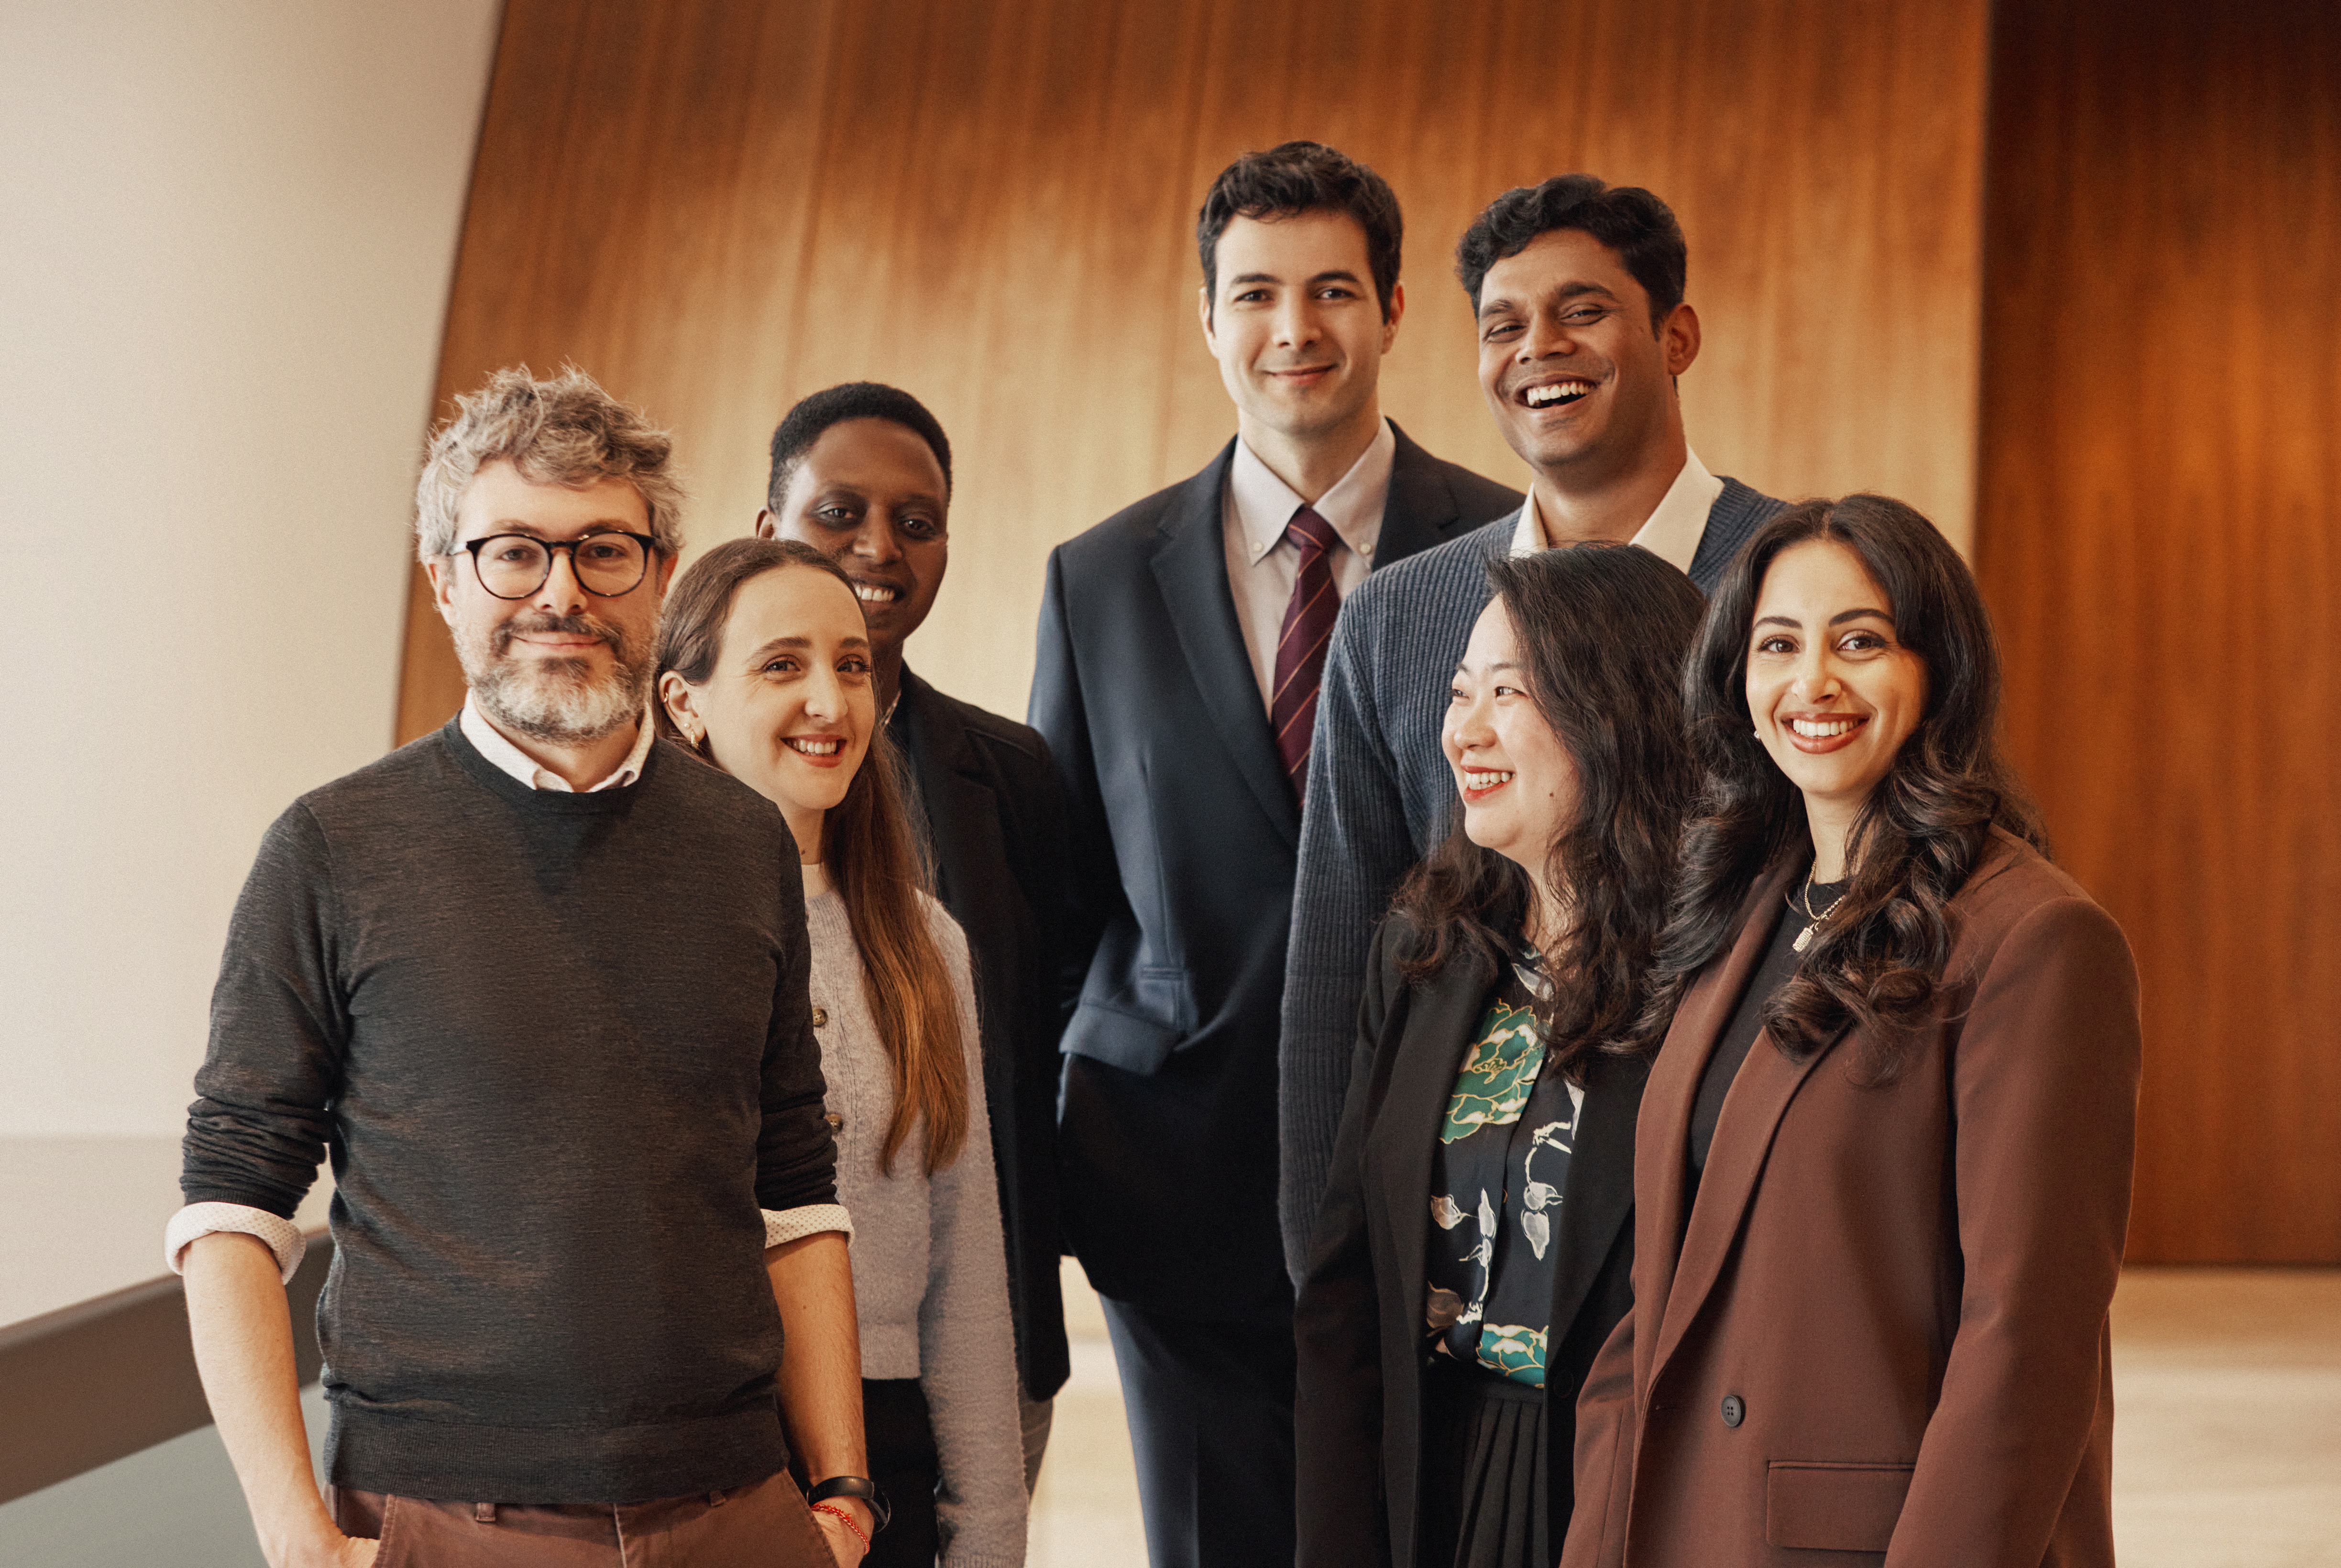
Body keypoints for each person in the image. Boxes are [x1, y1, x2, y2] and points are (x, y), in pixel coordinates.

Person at [171, 368, 875, 1567]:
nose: (562, 592)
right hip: (441, 1520)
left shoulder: (742, 839)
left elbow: (797, 1188)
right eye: (513, 552)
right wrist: (295, 1536)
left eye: (605, 549)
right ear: (446, 577)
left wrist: (843, 1493)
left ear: (659, 572)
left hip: (740, 1510)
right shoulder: (332, 848)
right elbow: (233, 1205)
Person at [1030, 140, 1520, 1568]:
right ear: (1208, 319)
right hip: (1174, 1171)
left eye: (1329, 292)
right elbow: (1068, 893)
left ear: (1392, 311)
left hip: (1440, 1160)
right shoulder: (1099, 577)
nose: (1292, 330)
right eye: (1254, 294)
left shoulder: (1509, 547)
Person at [1560, 495, 2141, 1568]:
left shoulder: (2036, 939)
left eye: (1860, 641)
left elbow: (2027, 1343)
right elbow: (1659, 1294)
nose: (1813, 682)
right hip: (1682, 1520)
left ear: (1939, 669)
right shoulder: (1741, 911)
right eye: (1778, 644)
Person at [1279, 175, 1786, 1276]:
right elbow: (1338, 958)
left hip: (1731, 1221)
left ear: (1677, 333)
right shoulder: (1397, 617)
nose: (1538, 347)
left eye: (1585, 310)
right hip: (1473, 1247)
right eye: (1503, 323)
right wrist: (1327, 1269)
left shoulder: (1795, 590)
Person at [1295, 544, 1706, 1568]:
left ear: (1623, 710)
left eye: (1507, 694)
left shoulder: (1713, 980)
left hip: (1620, 1481)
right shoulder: (1429, 943)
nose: (1460, 730)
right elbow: (1350, 1278)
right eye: (1458, 691)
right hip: (1427, 1462)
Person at [657, 537, 1026, 1568]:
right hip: (694, 1458)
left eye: (852, 665)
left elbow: (965, 1264)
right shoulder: (636, 931)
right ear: (684, 702)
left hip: (887, 1451)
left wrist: (991, 1536)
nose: (830, 699)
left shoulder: (924, 941)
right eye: (783, 664)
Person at [757, 383, 1071, 1487]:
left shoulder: (1017, 775)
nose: (877, 547)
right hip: (744, 1369)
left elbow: (1044, 1037)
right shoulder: (681, 798)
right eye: (838, 513)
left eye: (917, 521)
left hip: (983, 1331)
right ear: (769, 534)